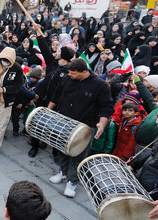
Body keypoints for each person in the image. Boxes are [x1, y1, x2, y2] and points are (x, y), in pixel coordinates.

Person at [48, 58, 114, 197]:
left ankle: (72, 182)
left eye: (73, 73)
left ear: (84, 72)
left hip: (85, 125)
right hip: (65, 120)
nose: (70, 75)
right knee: (63, 148)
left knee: (79, 154)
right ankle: (63, 172)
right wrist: (48, 111)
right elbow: (57, 95)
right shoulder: (67, 79)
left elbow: (106, 106)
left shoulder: (100, 85)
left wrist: (101, 124)